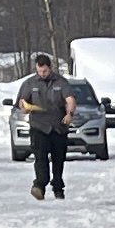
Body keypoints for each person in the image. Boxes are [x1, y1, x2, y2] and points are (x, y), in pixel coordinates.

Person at [15, 53, 76, 201]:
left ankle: (58, 187)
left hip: (58, 127)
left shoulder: (61, 82)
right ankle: (39, 186)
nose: (42, 74)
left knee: (58, 159)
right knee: (40, 158)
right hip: (39, 127)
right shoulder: (29, 83)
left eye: (45, 71)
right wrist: (25, 107)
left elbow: (70, 100)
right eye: (39, 71)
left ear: (50, 68)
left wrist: (70, 114)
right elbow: (21, 103)